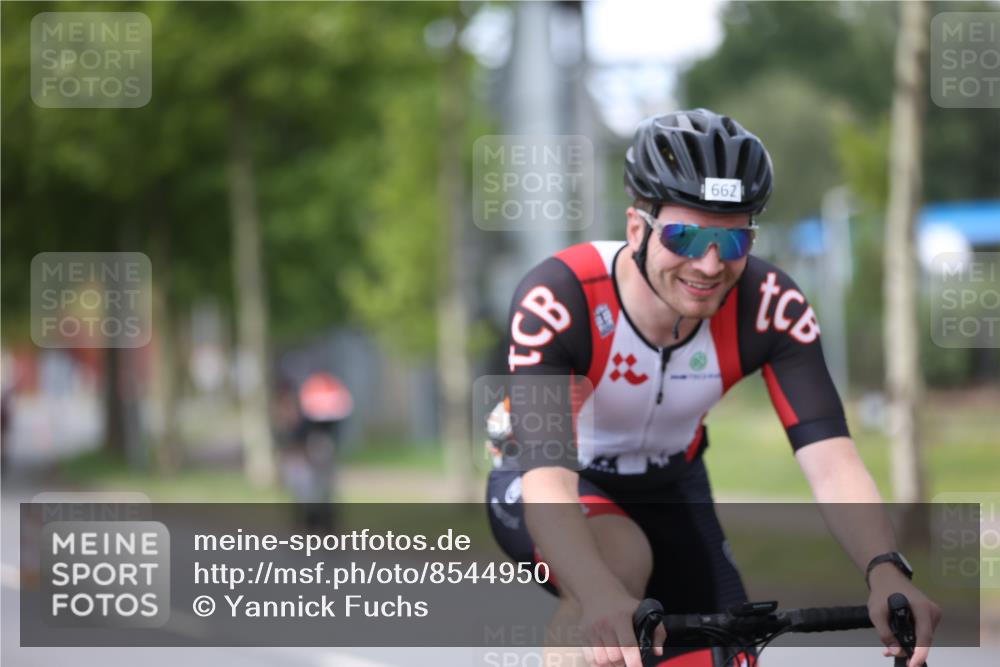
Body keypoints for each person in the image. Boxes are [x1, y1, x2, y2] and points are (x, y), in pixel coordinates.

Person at [486, 109, 940, 667]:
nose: (708, 263)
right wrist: (600, 597)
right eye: (684, 235)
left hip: (672, 479)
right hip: (547, 477)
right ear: (637, 229)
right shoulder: (562, 297)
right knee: (616, 573)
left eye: (732, 241)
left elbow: (832, 460)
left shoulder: (768, 304)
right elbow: (550, 485)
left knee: (729, 649)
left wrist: (886, 570)